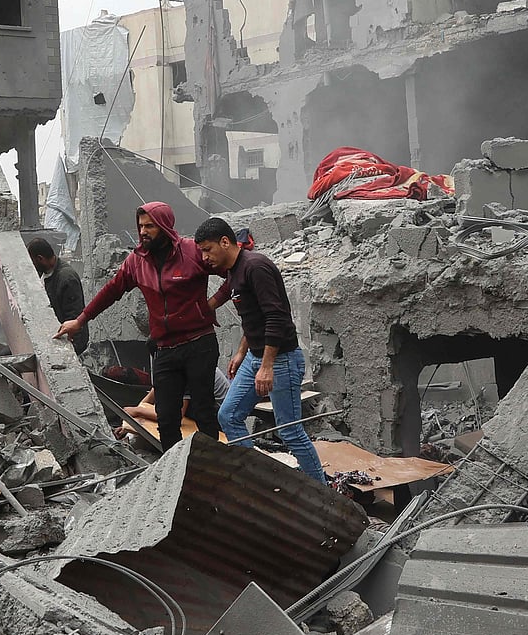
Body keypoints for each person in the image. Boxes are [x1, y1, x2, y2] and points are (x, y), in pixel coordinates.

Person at [54, 201, 229, 451]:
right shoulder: (136, 262)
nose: (143, 231)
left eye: (150, 226)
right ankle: (174, 473)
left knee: (203, 411)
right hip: (165, 349)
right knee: (167, 417)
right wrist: (80, 321)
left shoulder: (191, 252)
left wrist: (212, 303)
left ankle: (212, 467)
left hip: (199, 343)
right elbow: (111, 291)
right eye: (140, 226)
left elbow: (231, 271)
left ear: (165, 226)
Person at [194, 217, 326, 484]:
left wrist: (266, 367)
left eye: (208, 250)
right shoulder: (232, 272)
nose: (205, 257)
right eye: (201, 252)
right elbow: (252, 318)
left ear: (225, 242)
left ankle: (323, 492)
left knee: (289, 431)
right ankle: (259, 482)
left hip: (281, 360)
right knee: (229, 415)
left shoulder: (256, 267)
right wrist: (242, 351)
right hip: (255, 357)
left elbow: (276, 317)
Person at [115, 366, 231, 439]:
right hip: (197, 409)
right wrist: (129, 426)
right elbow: (149, 400)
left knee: (168, 417)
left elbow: (176, 416)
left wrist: (138, 411)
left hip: (218, 417)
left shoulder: (188, 369)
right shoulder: (167, 368)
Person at [26, 237, 88, 355]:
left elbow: (74, 318)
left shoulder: (66, 278)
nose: (32, 266)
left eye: (32, 262)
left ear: (40, 259)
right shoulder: (44, 272)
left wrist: (70, 349)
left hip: (68, 340)